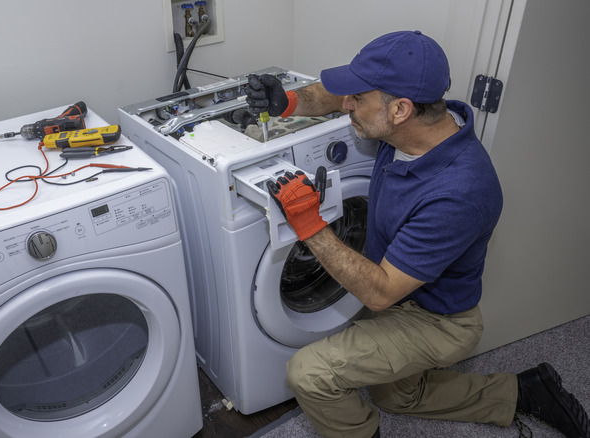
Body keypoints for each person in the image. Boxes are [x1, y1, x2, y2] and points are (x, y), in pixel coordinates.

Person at [246, 30, 590, 438]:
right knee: (397, 397)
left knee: (309, 373)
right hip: (403, 293)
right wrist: (288, 102)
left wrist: (309, 225)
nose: (346, 106)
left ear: (400, 110)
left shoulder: (461, 190)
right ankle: (525, 393)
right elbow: (332, 94)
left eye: (357, 100)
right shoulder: (413, 121)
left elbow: (380, 293)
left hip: (438, 320)